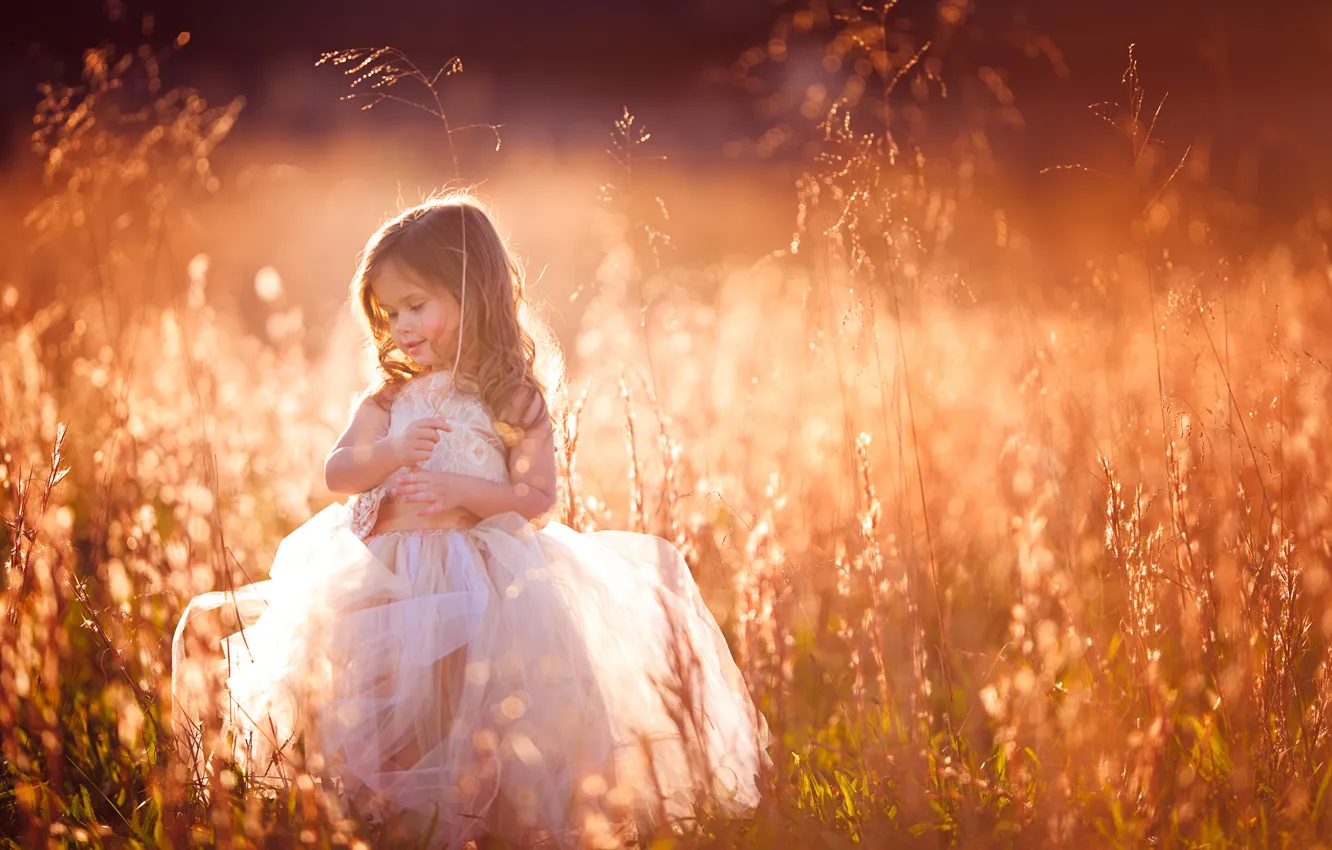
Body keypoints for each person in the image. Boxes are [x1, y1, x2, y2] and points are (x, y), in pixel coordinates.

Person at [171, 194, 768, 848]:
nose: (400, 326)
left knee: (477, 708)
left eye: (416, 306)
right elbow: (336, 473)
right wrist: (391, 452)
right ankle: (391, 823)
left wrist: (466, 489)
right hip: (386, 582)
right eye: (389, 313)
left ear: (471, 291)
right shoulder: (389, 396)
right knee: (387, 707)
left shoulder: (511, 395)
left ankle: (489, 821)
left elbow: (538, 498)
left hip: (483, 580)